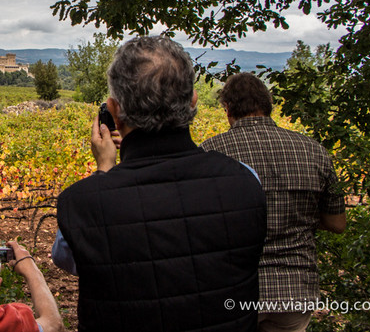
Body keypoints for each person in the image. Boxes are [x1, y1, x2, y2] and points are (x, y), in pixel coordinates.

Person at [52, 36, 267, 331]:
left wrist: (104, 171)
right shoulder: (246, 181)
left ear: (114, 111)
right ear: (193, 102)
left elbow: (69, 259)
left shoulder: (82, 204)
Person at [201, 72, 346, 332]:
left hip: (233, 289)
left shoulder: (209, 153)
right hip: (296, 290)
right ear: (269, 105)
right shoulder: (314, 151)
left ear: (227, 109)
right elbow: (337, 223)